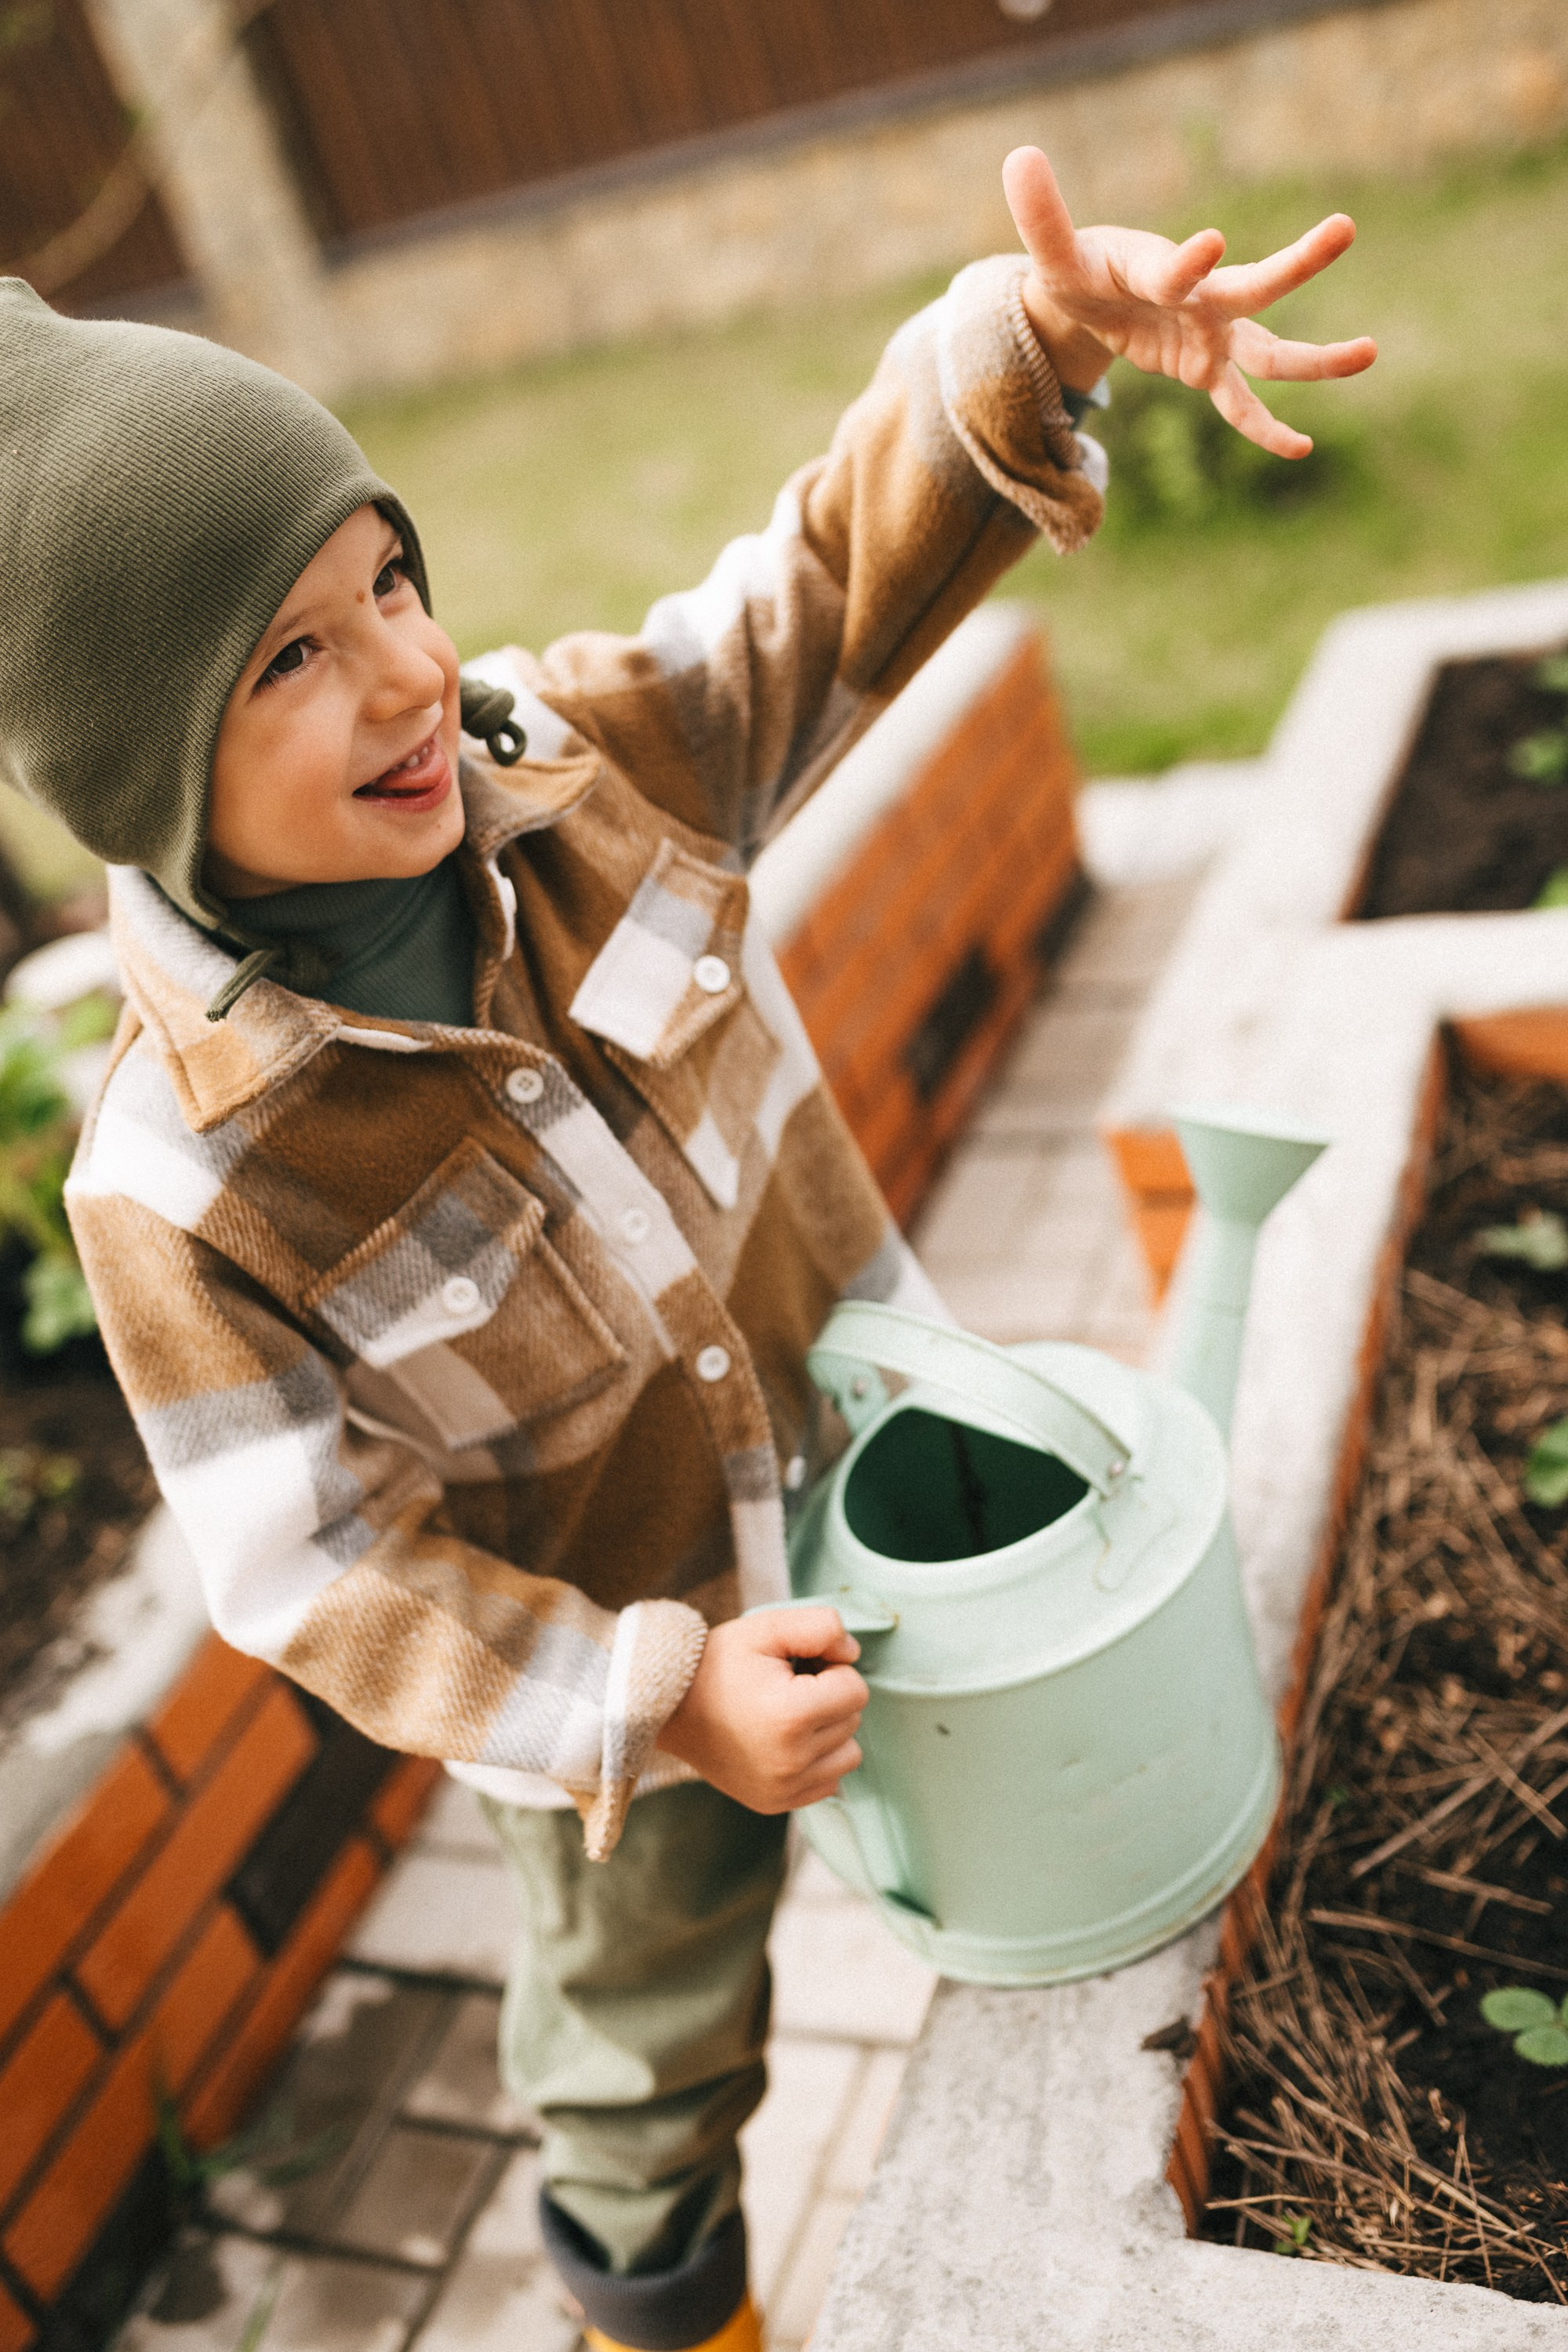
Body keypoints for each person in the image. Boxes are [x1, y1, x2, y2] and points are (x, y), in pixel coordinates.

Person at [1, 147, 1372, 2352]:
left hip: (891, 1471)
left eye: (392, 581)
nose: (409, 674)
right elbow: (316, 1567)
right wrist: (649, 1699)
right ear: (139, 772)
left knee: (1066, 1799)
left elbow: (817, 595)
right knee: (641, 2080)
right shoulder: (181, 1188)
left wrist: (1026, 349)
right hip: (624, 1672)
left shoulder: (580, 767)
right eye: (294, 659)